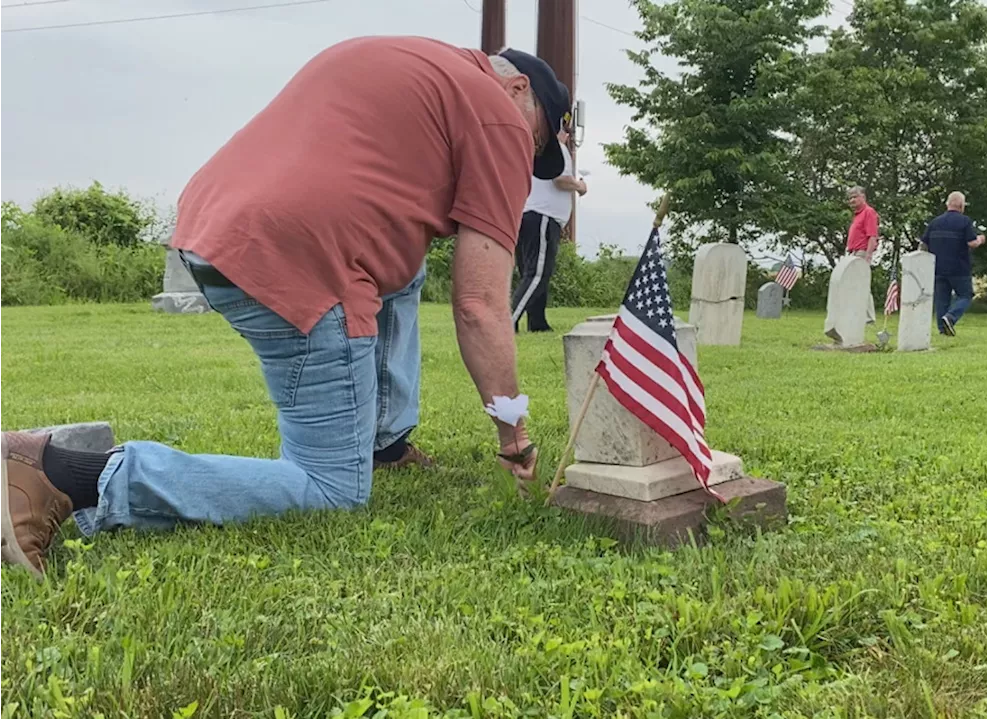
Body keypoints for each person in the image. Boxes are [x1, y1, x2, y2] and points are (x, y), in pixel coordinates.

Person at [0, 37, 572, 577]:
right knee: (331, 488)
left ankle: (385, 444)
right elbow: (478, 304)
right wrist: (513, 438)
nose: (528, 159)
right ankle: (59, 475)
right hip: (304, 258)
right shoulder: (498, 117)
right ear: (517, 87)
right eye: (537, 141)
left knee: (407, 268)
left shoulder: (400, 59)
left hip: (213, 227)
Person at [511, 129, 587, 333]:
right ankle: (508, 320)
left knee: (531, 271)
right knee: (537, 273)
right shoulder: (557, 150)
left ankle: (538, 322)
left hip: (527, 214)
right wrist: (580, 186)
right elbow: (560, 180)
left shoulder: (533, 150)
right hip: (544, 216)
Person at [920, 191, 985, 336]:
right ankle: (950, 317)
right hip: (959, 268)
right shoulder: (965, 221)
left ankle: (943, 329)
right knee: (966, 295)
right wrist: (980, 239)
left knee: (941, 299)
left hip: (937, 267)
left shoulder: (934, 222)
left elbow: (923, 245)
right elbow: (972, 243)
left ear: (947, 204)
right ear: (962, 206)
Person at [845, 186, 880, 324]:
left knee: (862, 284)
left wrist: (868, 256)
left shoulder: (869, 212)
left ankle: (869, 317)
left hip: (862, 252)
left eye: (855, 197)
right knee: (854, 285)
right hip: (853, 252)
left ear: (863, 197)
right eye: (850, 198)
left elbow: (872, 236)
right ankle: (859, 314)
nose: (852, 200)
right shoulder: (857, 215)